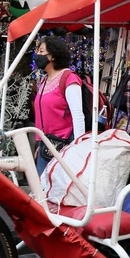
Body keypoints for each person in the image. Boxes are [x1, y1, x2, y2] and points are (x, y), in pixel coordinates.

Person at [31, 35, 84, 176]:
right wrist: (39, 143)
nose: (38, 55)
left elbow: (77, 114)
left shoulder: (68, 78)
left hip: (65, 144)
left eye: (42, 52)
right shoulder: (44, 80)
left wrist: (78, 147)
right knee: (42, 189)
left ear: (53, 56)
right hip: (46, 145)